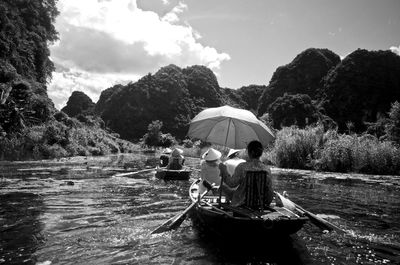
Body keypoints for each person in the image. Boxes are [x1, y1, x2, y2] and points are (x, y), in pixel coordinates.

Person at [220, 140, 273, 207]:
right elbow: (269, 191)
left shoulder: (242, 167)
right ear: (261, 153)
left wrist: (224, 171)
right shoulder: (267, 169)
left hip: (241, 203)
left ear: (250, 152)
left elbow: (232, 184)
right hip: (260, 205)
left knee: (222, 187)